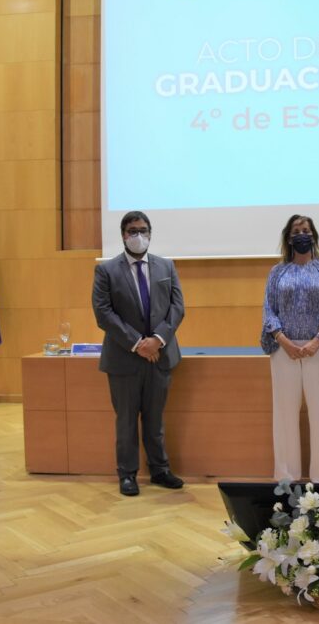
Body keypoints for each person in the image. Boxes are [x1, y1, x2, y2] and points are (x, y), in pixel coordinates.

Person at [92, 211, 185, 496]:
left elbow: (177, 307)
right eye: (133, 231)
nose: (138, 235)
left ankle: (160, 470)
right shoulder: (106, 271)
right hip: (124, 359)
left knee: (155, 419)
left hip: (160, 356)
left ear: (150, 233)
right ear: (123, 235)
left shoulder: (165, 266)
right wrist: (137, 344)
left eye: (143, 230)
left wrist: (157, 340)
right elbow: (103, 313)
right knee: (127, 420)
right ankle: (128, 474)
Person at [261, 215, 319, 483]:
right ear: (288, 237)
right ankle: (286, 478)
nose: (302, 235)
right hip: (284, 352)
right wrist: (284, 341)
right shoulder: (277, 272)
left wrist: (317, 340)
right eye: (296, 231)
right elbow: (269, 310)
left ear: (314, 236)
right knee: (284, 414)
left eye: (306, 230)